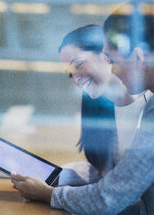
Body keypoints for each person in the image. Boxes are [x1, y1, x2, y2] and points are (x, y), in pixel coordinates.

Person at [11, 16, 153, 215]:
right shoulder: (101, 109)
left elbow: (116, 193)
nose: (76, 80)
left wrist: (48, 193)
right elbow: (107, 170)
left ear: (106, 54)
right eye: (70, 74)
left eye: (78, 65)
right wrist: (53, 175)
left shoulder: (149, 110)